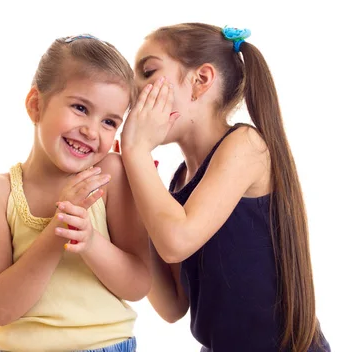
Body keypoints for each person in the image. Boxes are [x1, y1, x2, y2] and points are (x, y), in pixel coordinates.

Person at [119, 23, 331, 352]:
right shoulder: (178, 181)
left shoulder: (245, 145)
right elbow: (172, 306)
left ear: (200, 81)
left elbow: (176, 242)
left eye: (147, 71)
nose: (134, 89)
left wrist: (135, 151)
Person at [0, 34, 150, 352]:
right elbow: (1, 309)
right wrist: (57, 231)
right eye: (81, 108)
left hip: (105, 345)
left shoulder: (110, 175)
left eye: (109, 121)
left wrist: (91, 242)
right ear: (36, 105)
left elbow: (137, 284)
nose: (92, 131)